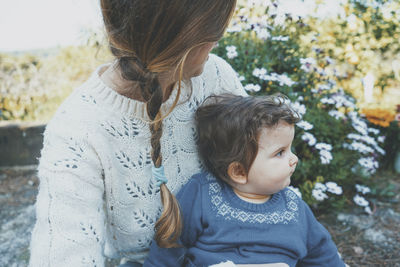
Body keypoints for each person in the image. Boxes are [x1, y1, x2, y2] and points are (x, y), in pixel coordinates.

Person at [29, 1, 247, 266]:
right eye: (214, 28)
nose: (218, 39)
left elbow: (264, 172)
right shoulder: (77, 129)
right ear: (181, 32)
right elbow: (63, 253)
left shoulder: (216, 77)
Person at [144, 94, 346, 267]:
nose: (294, 159)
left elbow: (323, 254)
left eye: (290, 149)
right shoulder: (201, 193)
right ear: (239, 171)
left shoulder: (294, 208)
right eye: (280, 153)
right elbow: (169, 243)